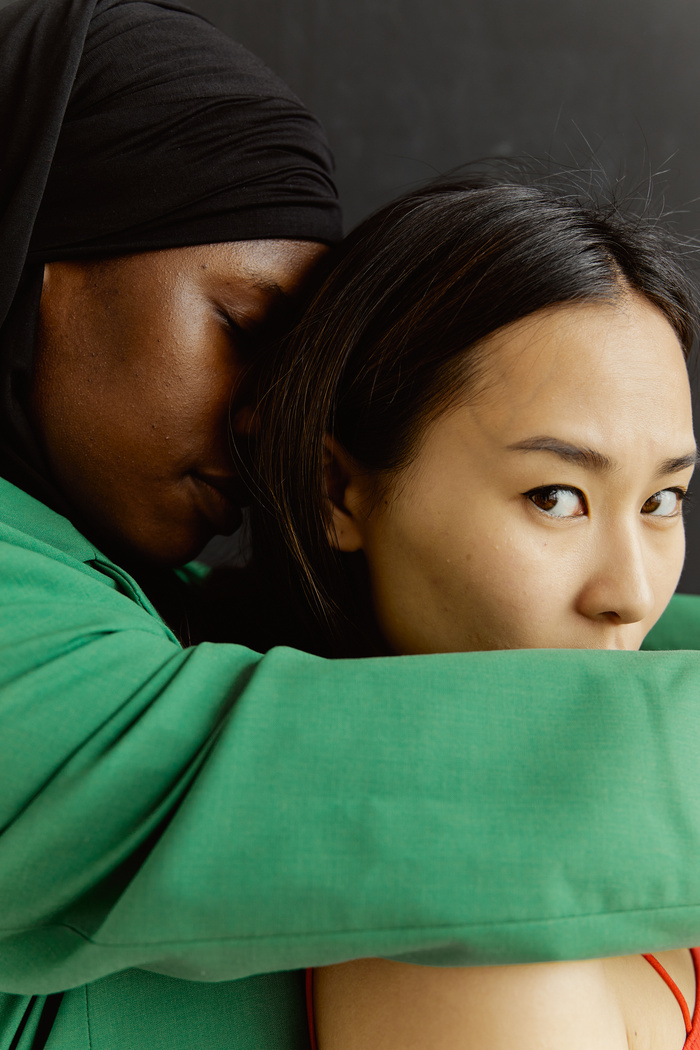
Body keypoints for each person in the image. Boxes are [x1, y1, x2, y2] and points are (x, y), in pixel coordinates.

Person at [2, 1, 700, 1048]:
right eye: (238, 327)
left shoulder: (117, 593)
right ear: (37, 267)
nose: (267, 414)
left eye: (664, 500)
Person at [247, 178, 700, 1048]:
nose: (632, 593)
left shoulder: (616, 803)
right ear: (338, 491)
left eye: (664, 501)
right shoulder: (463, 925)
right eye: (557, 496)